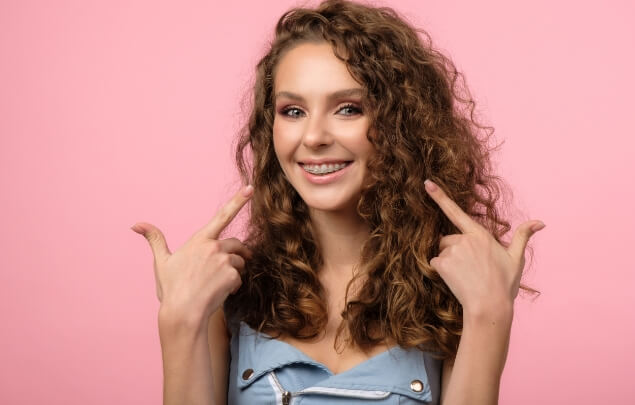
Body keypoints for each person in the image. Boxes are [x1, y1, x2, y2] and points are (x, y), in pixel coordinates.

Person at [131, 0, 545, 403]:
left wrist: (490, 311)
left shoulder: (452, 292)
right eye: (292, 111)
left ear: (401, 125)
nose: (313, 137)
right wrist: (180, 319)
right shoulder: (224, 293)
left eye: (347, 109)